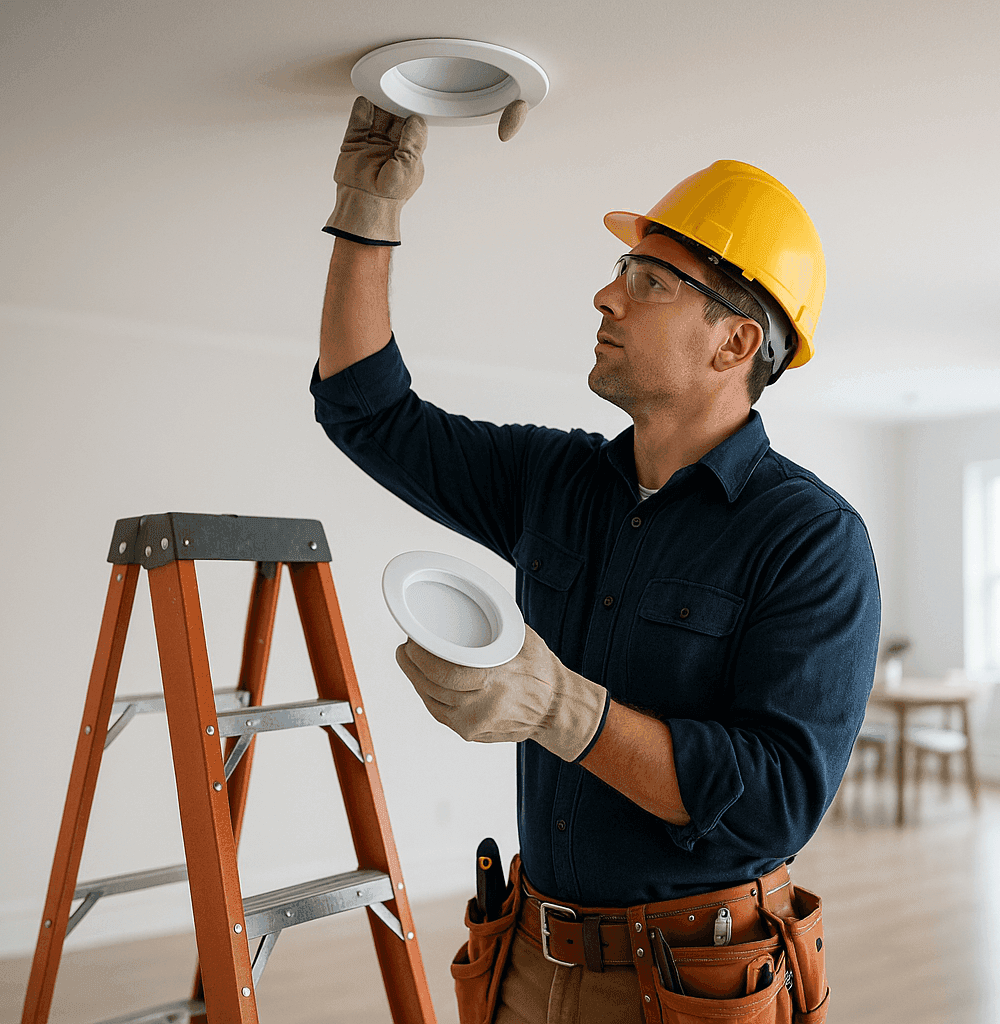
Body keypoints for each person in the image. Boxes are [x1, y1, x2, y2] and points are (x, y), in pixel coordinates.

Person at [311, 97, 881, 1024]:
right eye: (623, 269)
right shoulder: (556, 479)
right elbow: (367, 410)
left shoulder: (812, 539)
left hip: (698, 982)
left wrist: (562, 709)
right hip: (528, 959)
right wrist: (366, 209)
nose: (606, 295)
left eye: (651, 281)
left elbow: (775, 804)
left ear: (735, 341)